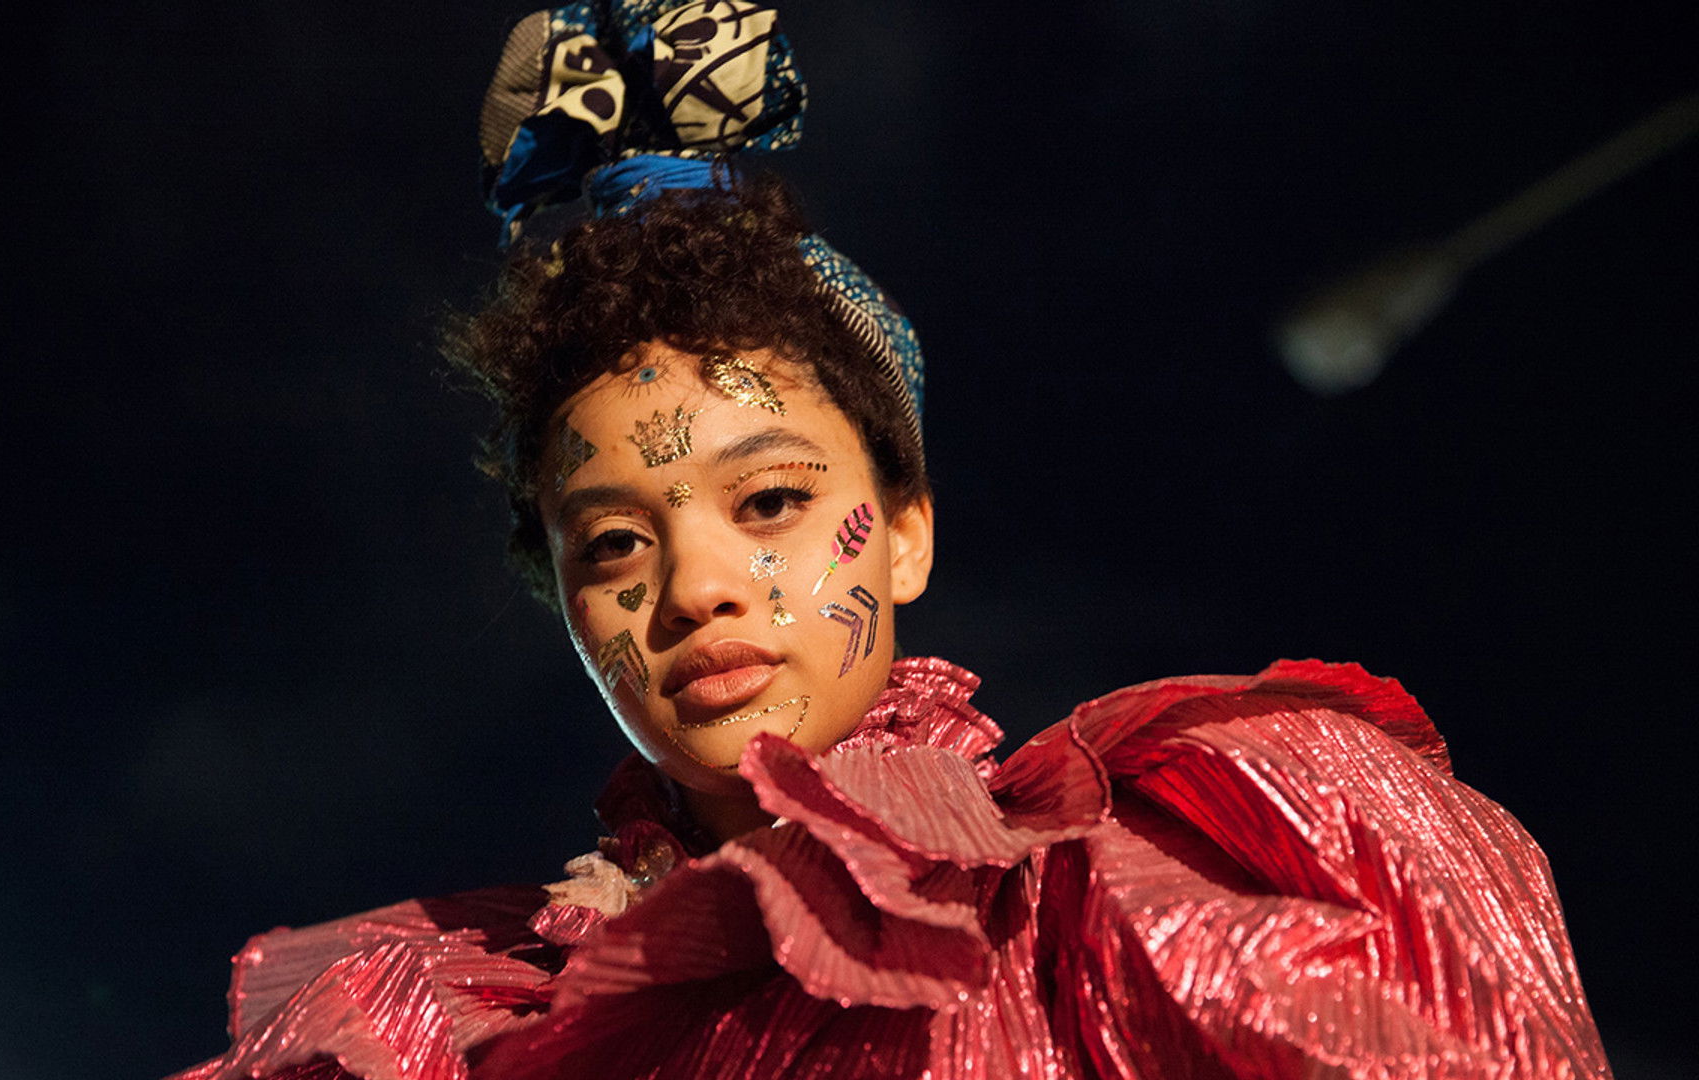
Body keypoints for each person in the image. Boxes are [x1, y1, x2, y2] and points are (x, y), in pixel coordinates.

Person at [168, 3, 1610, 1077]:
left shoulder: (1171, 877)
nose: (697, 588)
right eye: (610, 545)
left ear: (905, 532)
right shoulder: (445, 1029)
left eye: (771, 502)